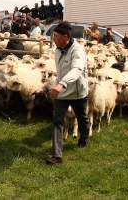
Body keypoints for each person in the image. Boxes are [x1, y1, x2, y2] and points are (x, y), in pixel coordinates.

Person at [47, 21, 90, 165]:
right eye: (53, 36)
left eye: (56, 36)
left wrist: (62, 84)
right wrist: (58, 85)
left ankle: (84, 139)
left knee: (82, 117)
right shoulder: (58, 49)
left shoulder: (77, 50)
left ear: (66, 36)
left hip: (77, 92)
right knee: (57, 121)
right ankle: (57, 155)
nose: (54, 39)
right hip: (62, 92)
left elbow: (77, 69)